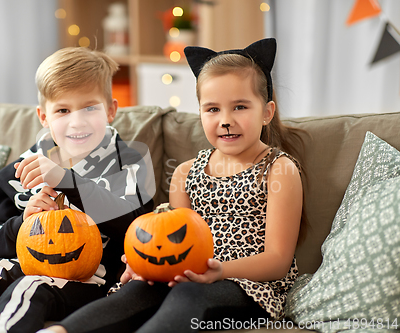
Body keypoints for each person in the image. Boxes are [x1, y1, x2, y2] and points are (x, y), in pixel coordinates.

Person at [40, 38, 308, 333]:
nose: (226, 120)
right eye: (212, 109)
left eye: (240, 107)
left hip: (250, 288)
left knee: (186, 294)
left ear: (267, 112)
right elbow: (175, 239)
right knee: (138, 290)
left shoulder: (278, 169)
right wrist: (145, 260)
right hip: (186, 274)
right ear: (201, 113)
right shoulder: (185, 173)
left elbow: (278, 261)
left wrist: (219, 270)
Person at [0, 47, 154, 333]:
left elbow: (138, 223)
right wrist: (23, 223)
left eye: (89, 107)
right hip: (17, 264)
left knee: (30, 287)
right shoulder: (16, 173)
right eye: (62, 110)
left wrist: (66, 180)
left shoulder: (129, 162)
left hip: (88, 279)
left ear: (110, 110)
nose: (77, 120)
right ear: (43, 117)